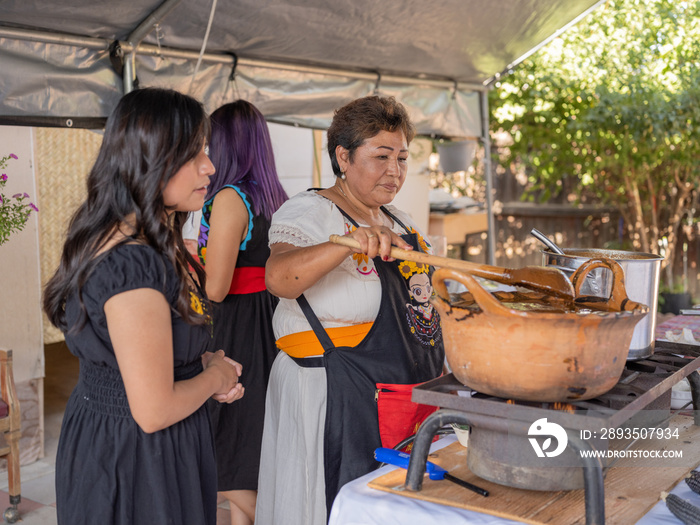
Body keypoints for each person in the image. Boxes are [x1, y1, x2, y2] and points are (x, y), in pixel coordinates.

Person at [42, 87, 244, 525]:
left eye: (205, 151)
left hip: (133, 443)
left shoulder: (145, 242)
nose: (208, 166)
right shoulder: (131, 263)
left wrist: (202, 361)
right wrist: (213, 377)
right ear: (150, 162)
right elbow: (153, 411)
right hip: (136, 458)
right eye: (192, 155)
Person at [255, 95, 445, 525]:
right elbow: (279, 277)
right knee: (324, 504)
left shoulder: (400, 221)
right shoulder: (311, 211)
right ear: (343, 156)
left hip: (393, 391)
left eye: (401, 157)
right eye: (381, 156)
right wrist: (346, 243)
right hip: (327, 389)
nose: (394, 170)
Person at [196, 100, 288, 525]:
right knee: (249, 448)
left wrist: (185, 259)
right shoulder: (273, 196)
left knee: (222, 447)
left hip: (235, 328)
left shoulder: (231, 198)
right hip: (268, 323)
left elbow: (216, 285)